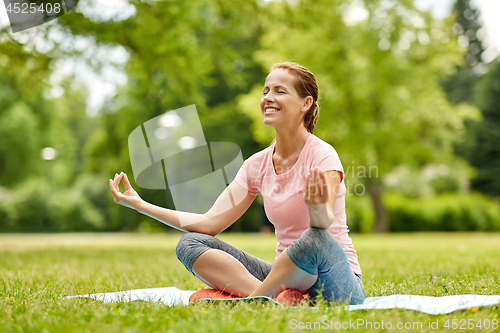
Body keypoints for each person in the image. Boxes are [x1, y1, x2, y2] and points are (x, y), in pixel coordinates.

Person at [109, 62, 367, 305]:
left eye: (280, 91)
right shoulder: (256, 165)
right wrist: (141, 205)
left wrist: (317, 210)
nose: (268, 97)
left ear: (306, 103)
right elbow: (209, 223)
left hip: (336, 281)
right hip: (286, 280)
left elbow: (323, 227)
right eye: (266, 91)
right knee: (190, 243)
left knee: (313, 238)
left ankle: (254, 299)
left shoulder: (322, 154)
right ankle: (273, 299)